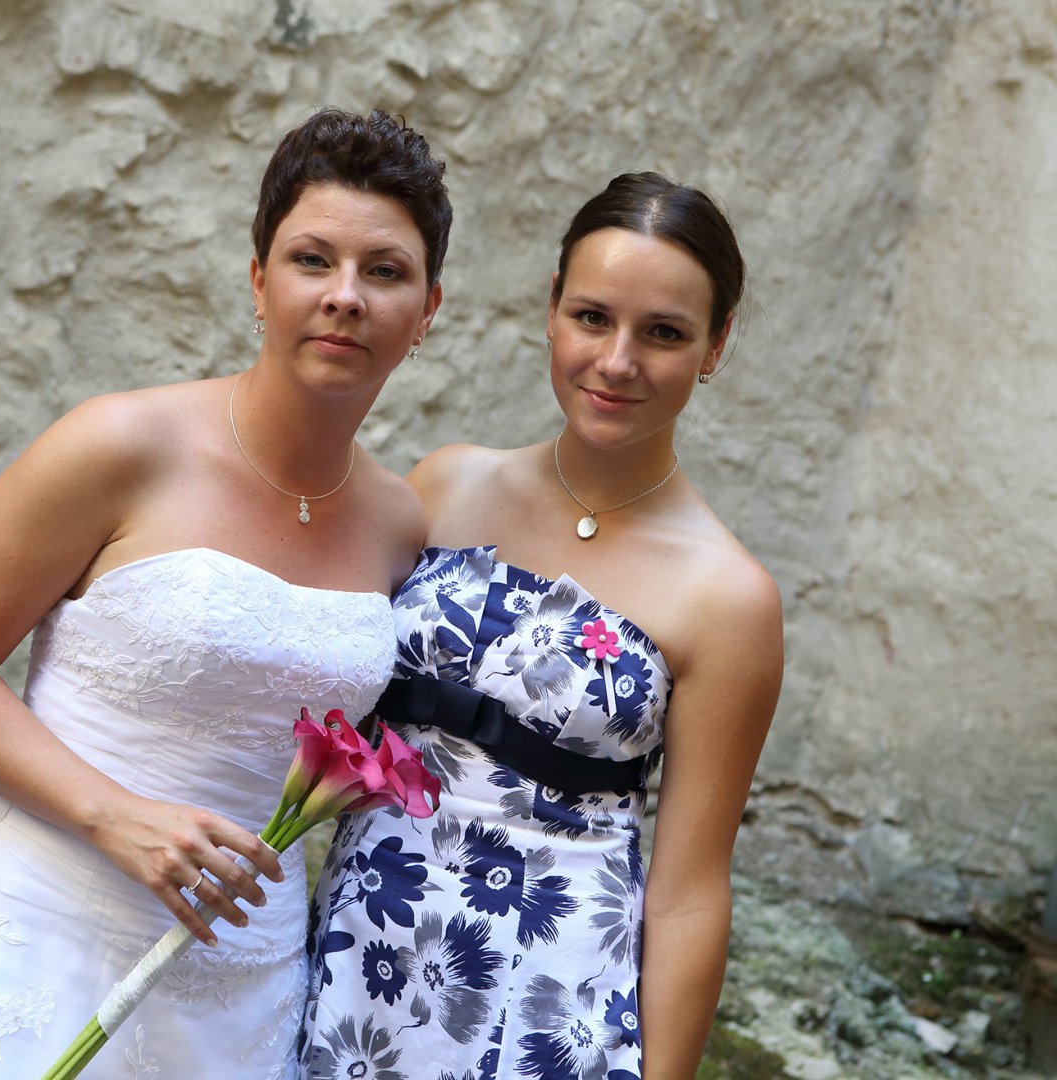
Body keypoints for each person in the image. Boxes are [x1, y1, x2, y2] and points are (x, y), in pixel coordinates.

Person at [0, 107, 449, 1080]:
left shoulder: (397, 523)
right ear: (258, 280)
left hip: (243, 979)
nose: (345, 296)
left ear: (427, 311)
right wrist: (112, 815)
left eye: (384, 271)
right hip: (32, 928)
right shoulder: (119, 446)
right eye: (313, 260)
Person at [299, 172, 782, 1080]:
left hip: (551, 1005)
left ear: (715, 345)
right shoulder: (445, 484)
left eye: (665, 333)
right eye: (593, 317)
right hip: (362, 960)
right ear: (552, 309)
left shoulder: (730, 600)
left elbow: (689, 893)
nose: (618, 361)